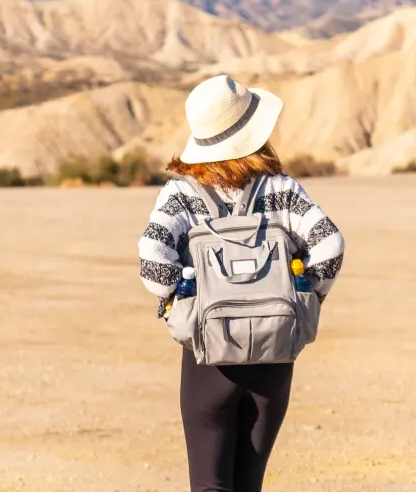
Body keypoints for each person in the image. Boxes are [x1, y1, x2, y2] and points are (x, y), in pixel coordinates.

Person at [138, 74, 345, 492]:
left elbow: (152, 262)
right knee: (249, 484)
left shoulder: (180, 193)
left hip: (208, 359)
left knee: (209, 485)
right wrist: (306, 298)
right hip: (275, 352)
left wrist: (180, 302)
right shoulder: (283, 189)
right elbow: (330, 245)